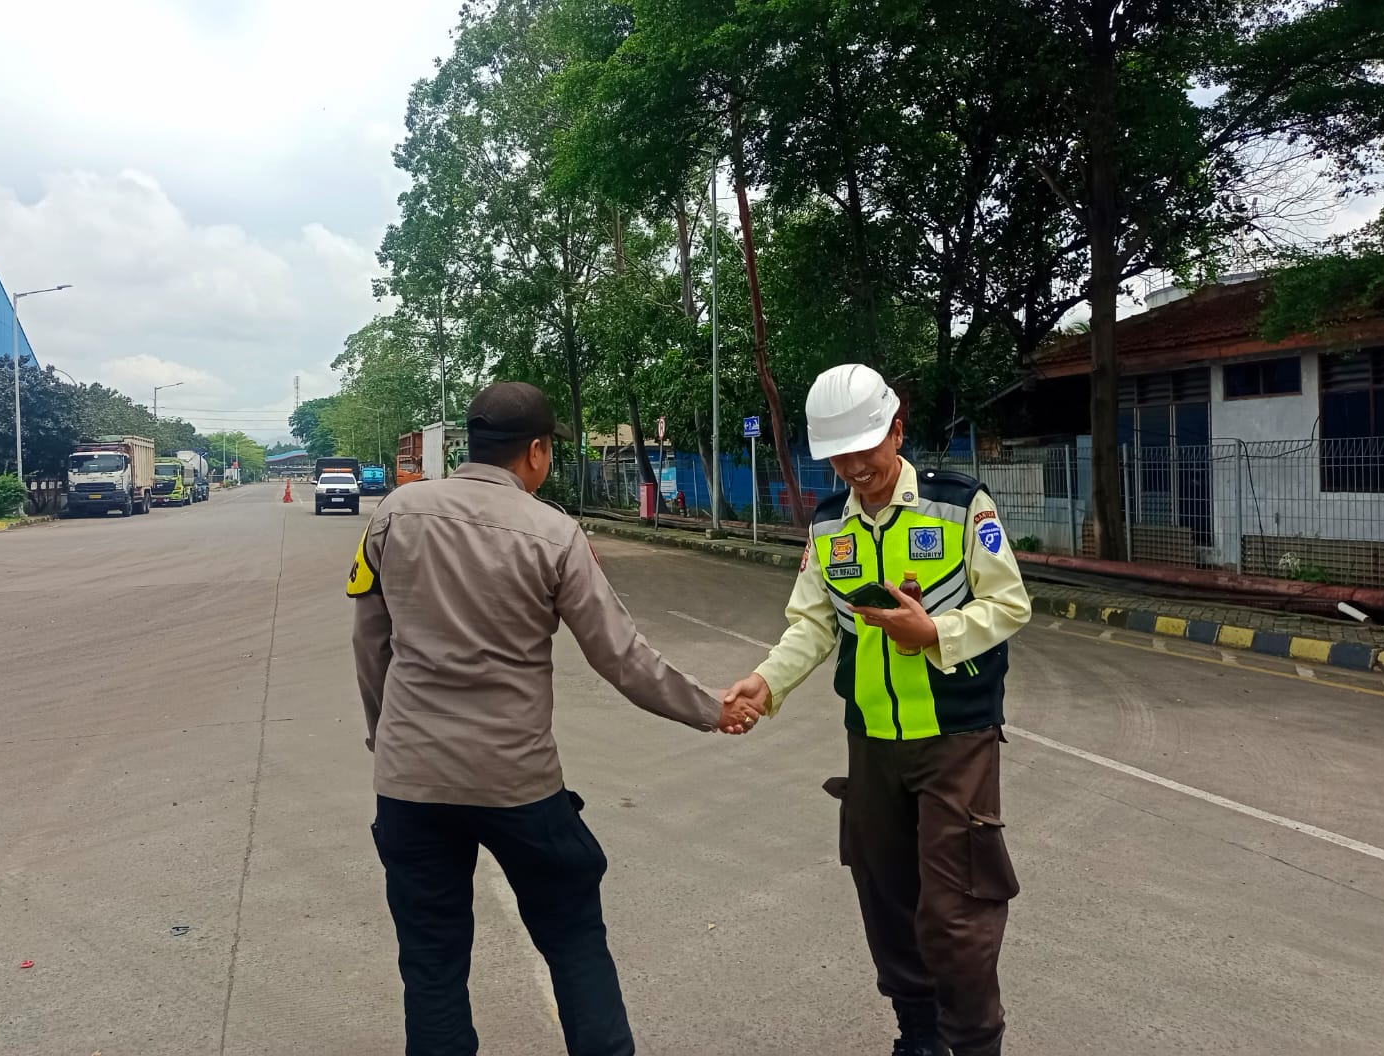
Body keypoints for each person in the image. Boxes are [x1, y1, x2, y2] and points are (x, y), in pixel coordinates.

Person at [350, 381, 757, 1056]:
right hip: (517, 783)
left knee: (430, 961)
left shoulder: (395, 513)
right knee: (573, 939)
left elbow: (371, 644)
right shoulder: (553, 532)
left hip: (411, 785)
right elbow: (620, 656)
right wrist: (712, 708)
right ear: (536, 451)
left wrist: (385, 738)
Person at [725, 364, 1031, 1056]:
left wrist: (936, 634)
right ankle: (917, 1037)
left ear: (896, 429)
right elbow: (813, 624)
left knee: (955, 911)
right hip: (871, 740)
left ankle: (973, 1043)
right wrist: (764, 684)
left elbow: (1008, 604)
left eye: (864, 448)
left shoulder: (959, 505)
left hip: (955, 737)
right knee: (885, 897)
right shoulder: (829, 523)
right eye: (838, 455)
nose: (854, 467)